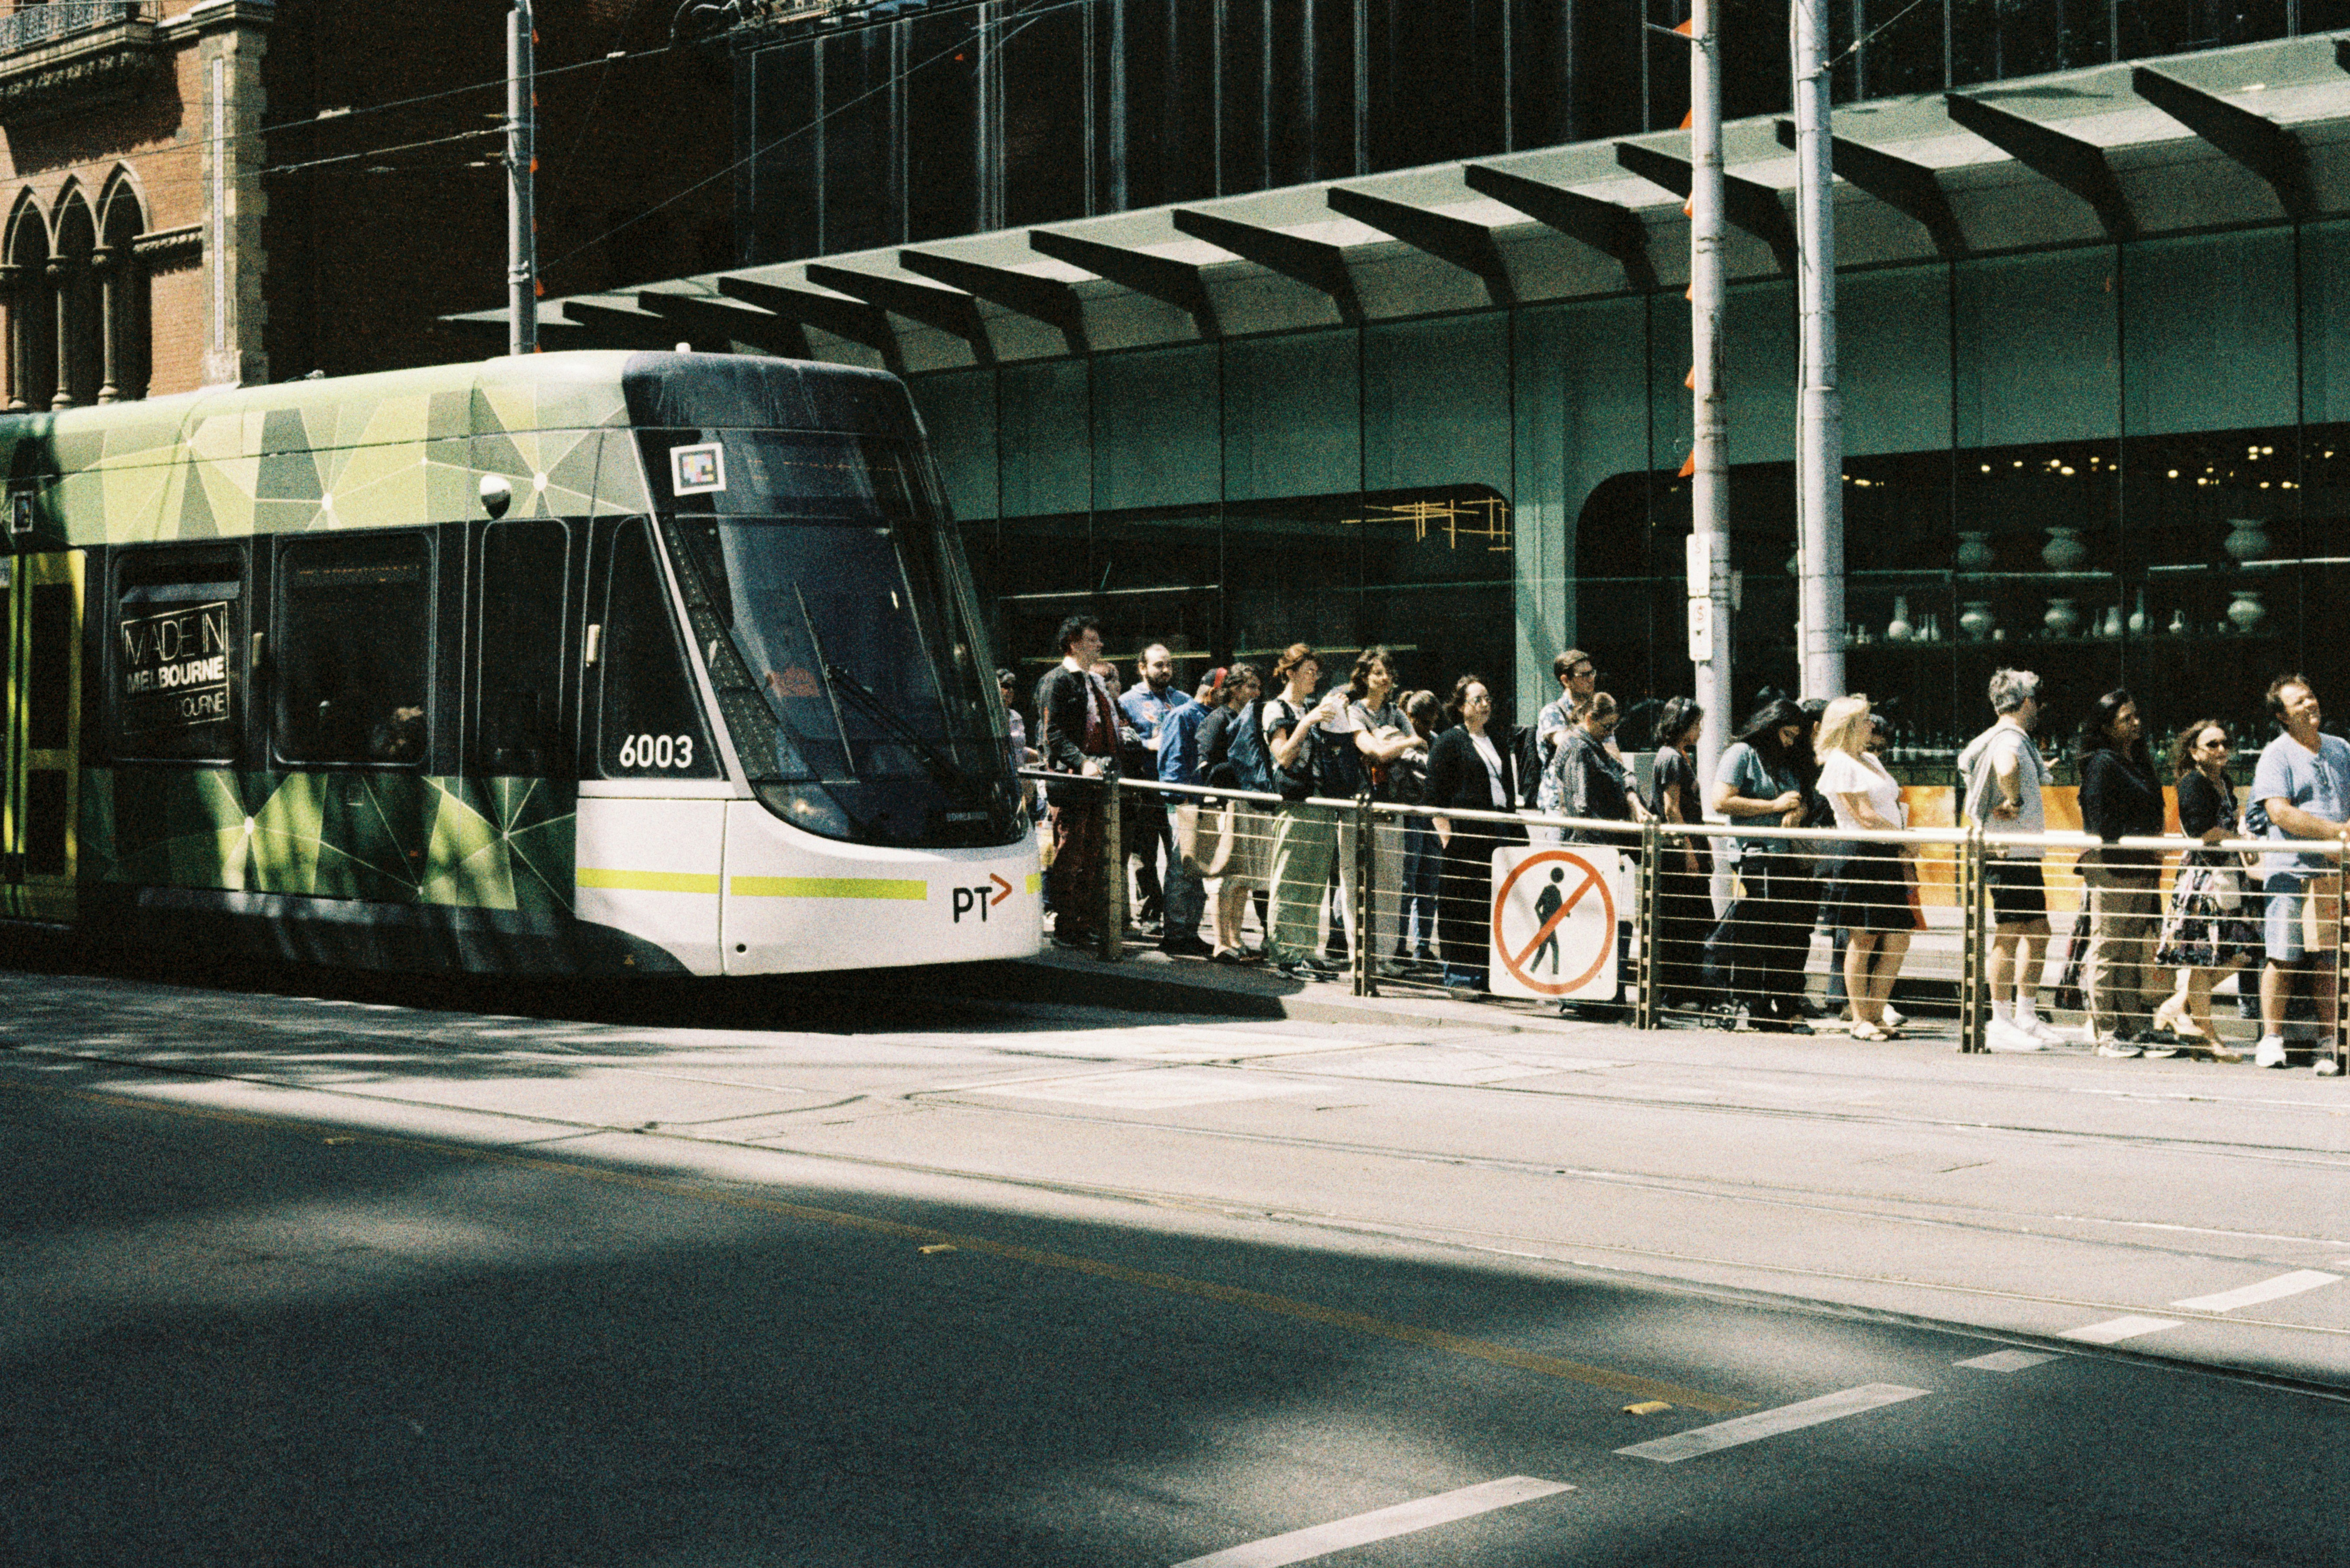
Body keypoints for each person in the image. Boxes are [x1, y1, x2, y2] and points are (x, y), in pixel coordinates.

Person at [1958, 668, 2063, 1052]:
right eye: (2036, 699)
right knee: (2012, 930)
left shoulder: (2005, 736)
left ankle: (2024, 1015)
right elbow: (2006, 766)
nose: (2039, 707)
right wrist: (2014, 800)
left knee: (2036, 931)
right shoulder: (2010, 739)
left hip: (2017, 851)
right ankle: (2001, 1019)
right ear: (2027, 702)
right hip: (2010, 851)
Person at [2249, 674, 2349, 1073]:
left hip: (2333, 872)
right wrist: (2336, 833)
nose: (2310, 705)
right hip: (2291, 871)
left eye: (2311, 696)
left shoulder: (2342, 749)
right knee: (2282, 956)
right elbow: (2278, 811)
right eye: (2298, 703)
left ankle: (2329, 1041)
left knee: (2329, 960)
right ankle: (2271, 1039)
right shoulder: (2276, 755)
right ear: (2281, 716)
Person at [2075, 689, 2175, 1057]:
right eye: (2125, 719)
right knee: (2108, 948)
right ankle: (2106, 1031)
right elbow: (2101, 821)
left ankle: (2136, 1027)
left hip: (2141, 866)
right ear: (2105, 726)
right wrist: (2142, 840)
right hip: (2114, 868)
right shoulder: (2102, 762)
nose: (2135, 724)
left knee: (2132, 949)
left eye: (2135, 716)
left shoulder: (2137, 759)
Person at [2151, 718, 2256, 1059]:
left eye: (2225, 743)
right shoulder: (2193, 784)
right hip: (2204, 881)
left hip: (2227, 877)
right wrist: (2238, 839)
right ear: (2194, 752)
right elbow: (2203, 831)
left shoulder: (2223, 781)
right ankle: (2209, 1036)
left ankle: (2175, 1006)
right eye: (2212, 745)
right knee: (2205, 958)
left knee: (2240, 951)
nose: (2221, 749)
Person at [1709, 698, 1817, 1033]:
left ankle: (1786, 1002)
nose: (1789, 742)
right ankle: (1760, 1004)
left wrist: (1798, 811)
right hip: (1757, 855)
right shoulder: (1741, 753)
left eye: (1794, 737)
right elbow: (1721, 800)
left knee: (1795, 934)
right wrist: (1773, 804)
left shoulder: (1787, 760)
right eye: (1785, 735)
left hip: (1789, 855)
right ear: (1770, 728)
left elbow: (1805, 797)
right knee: (1763, 930)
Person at [1814, 696, 1915, 1042]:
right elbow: (1864, 815)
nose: (1871, 724)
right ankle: (1859, 1016)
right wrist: (1904, 839)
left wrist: (1900, 842)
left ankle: (1875, 1009)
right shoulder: (1839, 762)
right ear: (1848, 726)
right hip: (1861, 852)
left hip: (1886, 851)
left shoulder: (1870, 758)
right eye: (1865, 720)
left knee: (1898, 935)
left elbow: (1886, 806)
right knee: (1864, 937)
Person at [1546, 690, 1649, 1017]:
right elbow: (1581, 808)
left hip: (1597, 847)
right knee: (1592, 921)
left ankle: (1596, 994)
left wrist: (1631, 798)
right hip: (1588, 848)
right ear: (1589, 719)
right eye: (1606, 727)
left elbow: (1624, 774)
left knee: (1600, 921)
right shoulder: (1578, 748)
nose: (1610, 733)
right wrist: (1608, 848)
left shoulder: (1592, 745)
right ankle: (1589, 995)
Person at [1425, 674, 1525, 996]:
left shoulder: (1495, 738)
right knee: (1463, 906)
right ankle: (1461, 977)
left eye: (1487, 700)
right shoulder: (1448, 742)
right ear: (1460, 707)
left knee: (1493, 904)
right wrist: (1447, 838)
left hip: (1499, 832)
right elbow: (1434, 798)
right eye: (1477, 700)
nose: (1485, 705)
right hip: (1467, 837)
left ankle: (1490, 975)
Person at [1325, 647, 1419, 974]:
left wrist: (1398, 743)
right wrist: (1404, 744)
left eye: (1389, 673)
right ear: (1364, 676)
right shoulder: (1354, 711)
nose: (1385, 679)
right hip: (1359, 805)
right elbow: (1373, 750)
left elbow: (1417, 744)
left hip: (1391, 803)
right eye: (1378, 672)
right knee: (1355, 882)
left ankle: (1384, 956)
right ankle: (1361, 958)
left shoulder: (1395, 711)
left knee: (1392, 882)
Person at [1035, 615, 1122, 949]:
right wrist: (1082, 762)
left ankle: (1083, 923)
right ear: (1073, 643)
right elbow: (1051, 733)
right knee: (1070, 855)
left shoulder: (1092, 683)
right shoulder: (1056, 682)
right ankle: (1066, 926)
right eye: (1092, 639)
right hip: (1072, 782)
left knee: (1091, 857)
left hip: (1094, 782)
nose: (1099, 645)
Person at [1263, 644, 1341, 979]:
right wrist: (1306, 722)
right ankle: (1284, 951)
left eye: (1317, 672)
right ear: (1291, 672)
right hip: (1294, 803)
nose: (1315, 678)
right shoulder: (1274, 708)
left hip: (1319, 799)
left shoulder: (1311, 706)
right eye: (1309, 671)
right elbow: (1282, 755)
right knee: (1289, 878)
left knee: (1314, 880)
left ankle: (1305, 948)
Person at [1197, 663, 1267, 961]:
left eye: (1257, 686)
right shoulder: (1218, 718)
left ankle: (1236, 939)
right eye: (1250, 686)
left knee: (1242, 878)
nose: (1256, 692)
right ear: (1235, 689)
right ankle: (1221, 943)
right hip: (1225, 804)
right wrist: (1242, 767)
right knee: (1223, 877)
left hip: (1245, 804)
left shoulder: (1249, 718)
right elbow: (1206, 766)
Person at [1646, 697, 1709, 1008]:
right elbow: (1672, 808)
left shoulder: (1679, 756)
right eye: (1696, 724)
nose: (1700, 730)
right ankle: (1678, 991)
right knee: (1683, 918)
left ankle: (1686, 988)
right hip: (1679, 849)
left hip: (1688, 844)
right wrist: (1689, 851)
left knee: (1690, 918)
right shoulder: (1671, 758)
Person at [1152, 667, 1218, 958]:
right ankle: (1176, 932)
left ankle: (1188, 930)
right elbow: (1172, 764)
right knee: (1182, 867)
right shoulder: (1182, 715)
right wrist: (1181, 801)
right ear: (1212, 691)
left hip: (1201, 801)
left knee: (1195, 868)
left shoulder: (1206, 715)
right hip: (1186, 802)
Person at [1121, 643, 1182, 930]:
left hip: (1178, 791)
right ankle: (1150, 913)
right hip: (1144, 788)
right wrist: (1149, 745)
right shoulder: (1126, 701)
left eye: (1169, 664)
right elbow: (1121, 743)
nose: (1166, 670)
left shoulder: (1182, 700)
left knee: (1180, 855)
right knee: (1145, 856)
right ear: (1142, 668)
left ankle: (1178, 916)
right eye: (1159, 665)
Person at [1394, 690, 1445, 968]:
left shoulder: (1436, 741)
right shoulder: (1402, 738)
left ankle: (1423, 946)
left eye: (1432, 720)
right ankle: (1399, 945)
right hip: (1410, 814)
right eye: (1423, 720)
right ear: (1411, 717)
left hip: (1431, 816)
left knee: (1430, 883)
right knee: (1407, 882)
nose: (1427, 727)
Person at [1528, 649, 1600, 826]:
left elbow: (1613, 754)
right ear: (1566, 680)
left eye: (1592, 673)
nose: (1591, 679)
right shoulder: (1552, 712)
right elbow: (1568, 744)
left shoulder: (1597, 712)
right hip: (1559, 807)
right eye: (1584, 675)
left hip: (1592, 805)